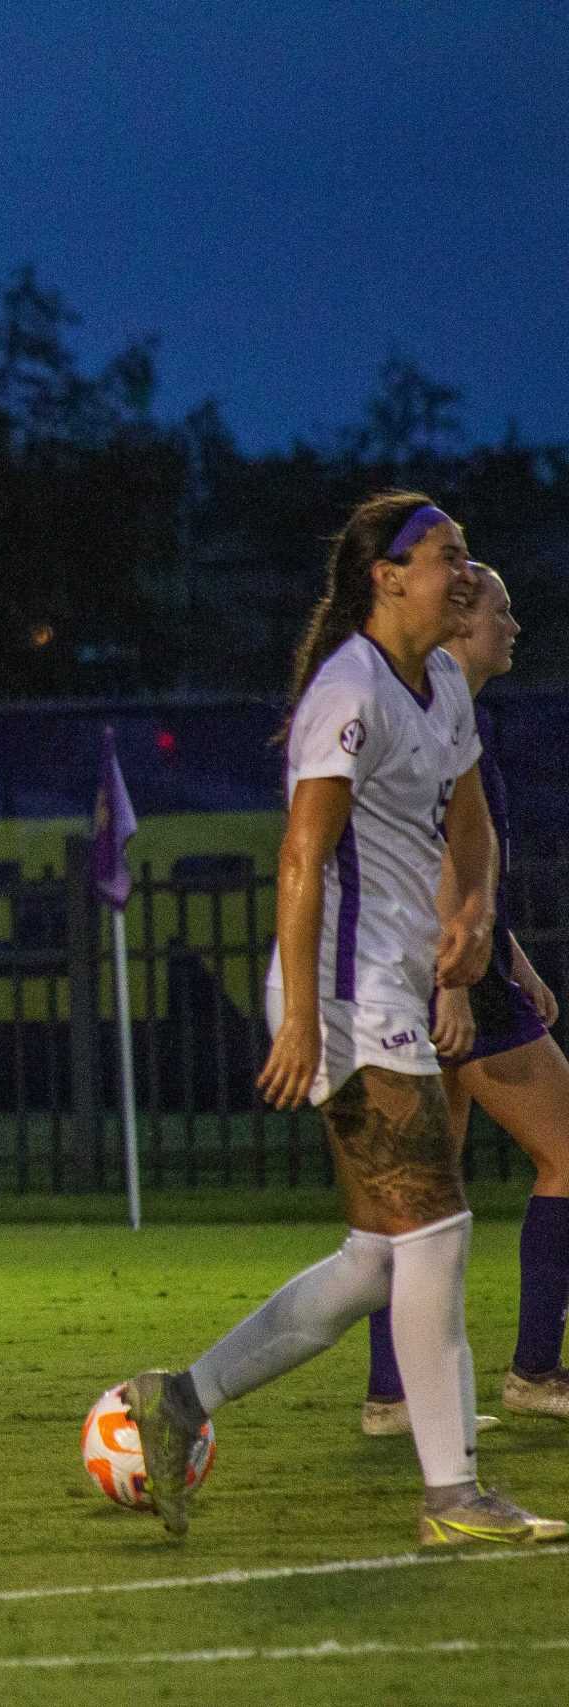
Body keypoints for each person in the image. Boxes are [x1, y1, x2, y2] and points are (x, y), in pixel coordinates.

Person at [123, 495, 563, 1546]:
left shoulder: (442, 680)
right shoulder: (349, 690)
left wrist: (470, 914)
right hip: (346, 999)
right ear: (387, 576)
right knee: (440, 1231)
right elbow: (300, 855)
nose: (462, 571)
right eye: (444, 556)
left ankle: (177, 1399)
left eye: (463, 554)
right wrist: (299, 1019)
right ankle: (452, 1495)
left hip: (394, 990)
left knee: (377, 1255)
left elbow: (470, 822)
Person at [361, 563, 569, 1432]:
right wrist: (461, 982)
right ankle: (534, 1370)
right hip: (450, 977)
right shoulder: (439, 720)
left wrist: (512, 957)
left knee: (419, 1193)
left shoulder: (446, 715)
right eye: (500, 610)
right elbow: (439, 864)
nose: (513, 625)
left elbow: (455, 870)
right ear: (455, 627)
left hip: (453, 968)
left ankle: (391, 1395)